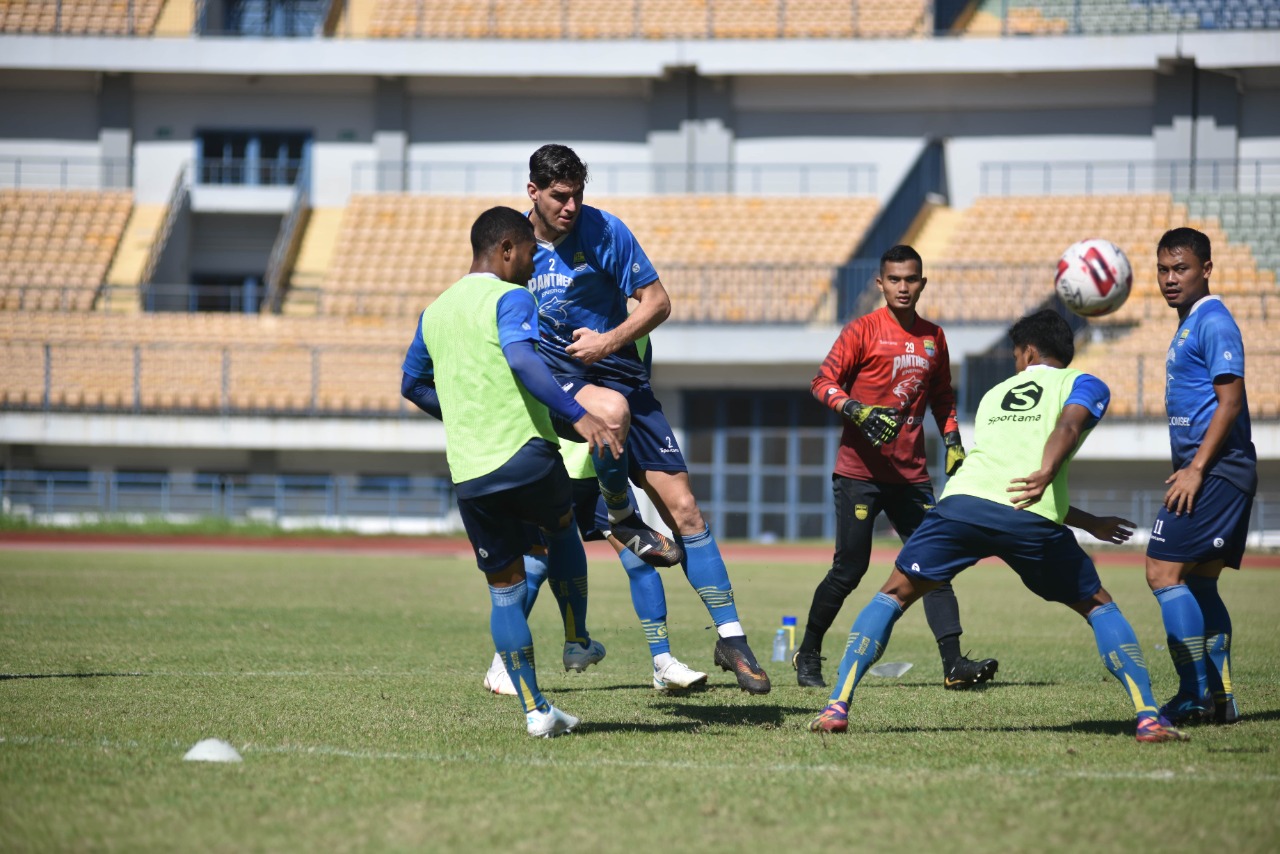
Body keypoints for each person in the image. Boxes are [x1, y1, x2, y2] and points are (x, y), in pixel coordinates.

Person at [809, 309, 1189, 744]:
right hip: (1027, 520)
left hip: (961, 507)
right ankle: (1147, 717)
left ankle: (836, 706)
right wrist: (1050, 472)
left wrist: (1087, 520)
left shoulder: (994, 395)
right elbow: (1062, 434)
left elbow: (1004, 478)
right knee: (1099, 605)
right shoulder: (1084, 383)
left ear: (1027, 353)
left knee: (892, 594)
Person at [523, 143, 770, 694]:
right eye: (560, 197)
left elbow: (657, 302)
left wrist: (607, 342)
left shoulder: (605, 231)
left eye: (577, 195)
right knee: (548, 531)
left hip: (624, 378)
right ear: (533, 192)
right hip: (563, 384)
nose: (570, 207)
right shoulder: (512, 242)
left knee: (685, 509)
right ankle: (619, 520)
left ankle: (732, 639)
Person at [404, 205, 625, 737]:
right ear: (505, 249)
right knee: (561, 526)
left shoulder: (434, 311)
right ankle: (576, 637)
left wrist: (460, 413)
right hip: (524, 451)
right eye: (529, 251)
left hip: (471, 472)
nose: (533, 262)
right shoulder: (511, 296)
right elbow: (523, 360)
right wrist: (578, 414)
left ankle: (535, 711)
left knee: (504, 589)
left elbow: (412, 385)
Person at [794, 245, 997, 690]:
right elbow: (821, 382)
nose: (903, 287)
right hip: (859, 474)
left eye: (911, 279)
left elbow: (942, 397)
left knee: (934, 566)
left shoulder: (934, 337)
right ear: (880, 283)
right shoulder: (861, 331)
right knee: (850, 570)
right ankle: (807, 653)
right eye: (895, 279)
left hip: (912, 477)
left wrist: (953, 442)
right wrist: (857, 410)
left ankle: (953, 665)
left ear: (922, 283)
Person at [1145, 227, 1256, 727]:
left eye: (1181, 268)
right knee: (1202, 585)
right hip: (1209, 471)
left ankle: (1191, 694)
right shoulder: (1189, 322)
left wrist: (1195, 468)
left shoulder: (1213, 321)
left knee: (1162, 572)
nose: (1171, 279)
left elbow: (1230, 401)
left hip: (1215, 471)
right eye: (1164, 270)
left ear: (1206, 270)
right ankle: (1220, 697)